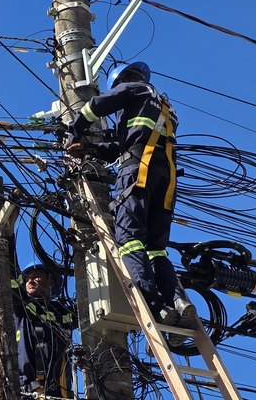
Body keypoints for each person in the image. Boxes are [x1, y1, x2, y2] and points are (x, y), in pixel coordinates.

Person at [65, 61, 196, 340]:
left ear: (122, 79)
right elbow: (120, 145)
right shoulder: (163, 105)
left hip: (138, 173)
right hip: (166, 180)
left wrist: (74, 128)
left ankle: (156, 306)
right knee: (155, 248)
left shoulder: (134, 87)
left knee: (129, 240)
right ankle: (179, 301)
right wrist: (88, 148)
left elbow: (98, 105)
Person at [12, 261, 76, 397]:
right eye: (27, 279)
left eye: (35, 276)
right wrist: (8, 242)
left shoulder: (63, 313)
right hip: (31, 392)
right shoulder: (23, 307)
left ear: (51, 280)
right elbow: (11, 276)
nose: (30, 281)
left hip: (59, 393)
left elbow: (87, 310)